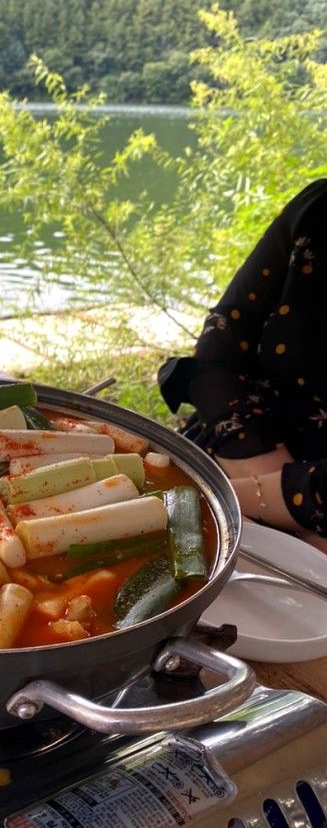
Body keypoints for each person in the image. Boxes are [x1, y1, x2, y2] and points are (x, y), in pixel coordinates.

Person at [158, 177, 327, 550]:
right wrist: (252, 487)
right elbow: (221, 342)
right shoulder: (319, 209)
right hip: (234, 454)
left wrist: (213, 502)